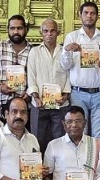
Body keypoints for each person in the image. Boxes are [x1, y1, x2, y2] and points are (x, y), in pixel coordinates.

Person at [61, 1, 100, 137]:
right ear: (80, 15)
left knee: (98, 136)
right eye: (86, 13)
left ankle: (95, 153)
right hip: (78, 93)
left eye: (92, 13)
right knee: (79, 134)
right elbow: (65, 66)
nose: (89, 16)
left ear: (97, 16)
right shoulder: (72, 37)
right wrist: (67, 51)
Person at [27, 17, 71, 149]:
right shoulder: (34, 52)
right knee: (37, 140)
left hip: (60, 104)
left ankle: (58, 163)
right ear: (41, 33)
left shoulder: (64, 52)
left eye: (52, 31)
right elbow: (31, 76)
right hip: (39, 103)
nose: (49, 34)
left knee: (60, 139)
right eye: (45, 31)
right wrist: (36, 97)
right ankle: (37, 162)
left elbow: (69, 74)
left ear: (58, 33)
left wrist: (66, 95)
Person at [0, 14, 33, 121]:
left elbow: (36, 76)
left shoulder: (33, 51)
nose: (16, 31)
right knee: (0, 131)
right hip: (1, 100)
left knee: (22, 131)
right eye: (12, 28)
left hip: (23, 102)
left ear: (26, 29)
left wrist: (29, 93)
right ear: (8, 30)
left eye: (19, 28)